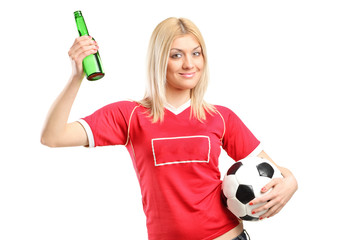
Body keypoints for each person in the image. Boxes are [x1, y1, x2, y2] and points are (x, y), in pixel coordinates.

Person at [41, 17, 298, 240]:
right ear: (159, 59)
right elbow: (53, 137)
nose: (189, 64)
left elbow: (274, 172)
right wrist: (76, 77)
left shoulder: (221, 116)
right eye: (176, 55)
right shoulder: (129, 115)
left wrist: (292, 181)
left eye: (196, 53)